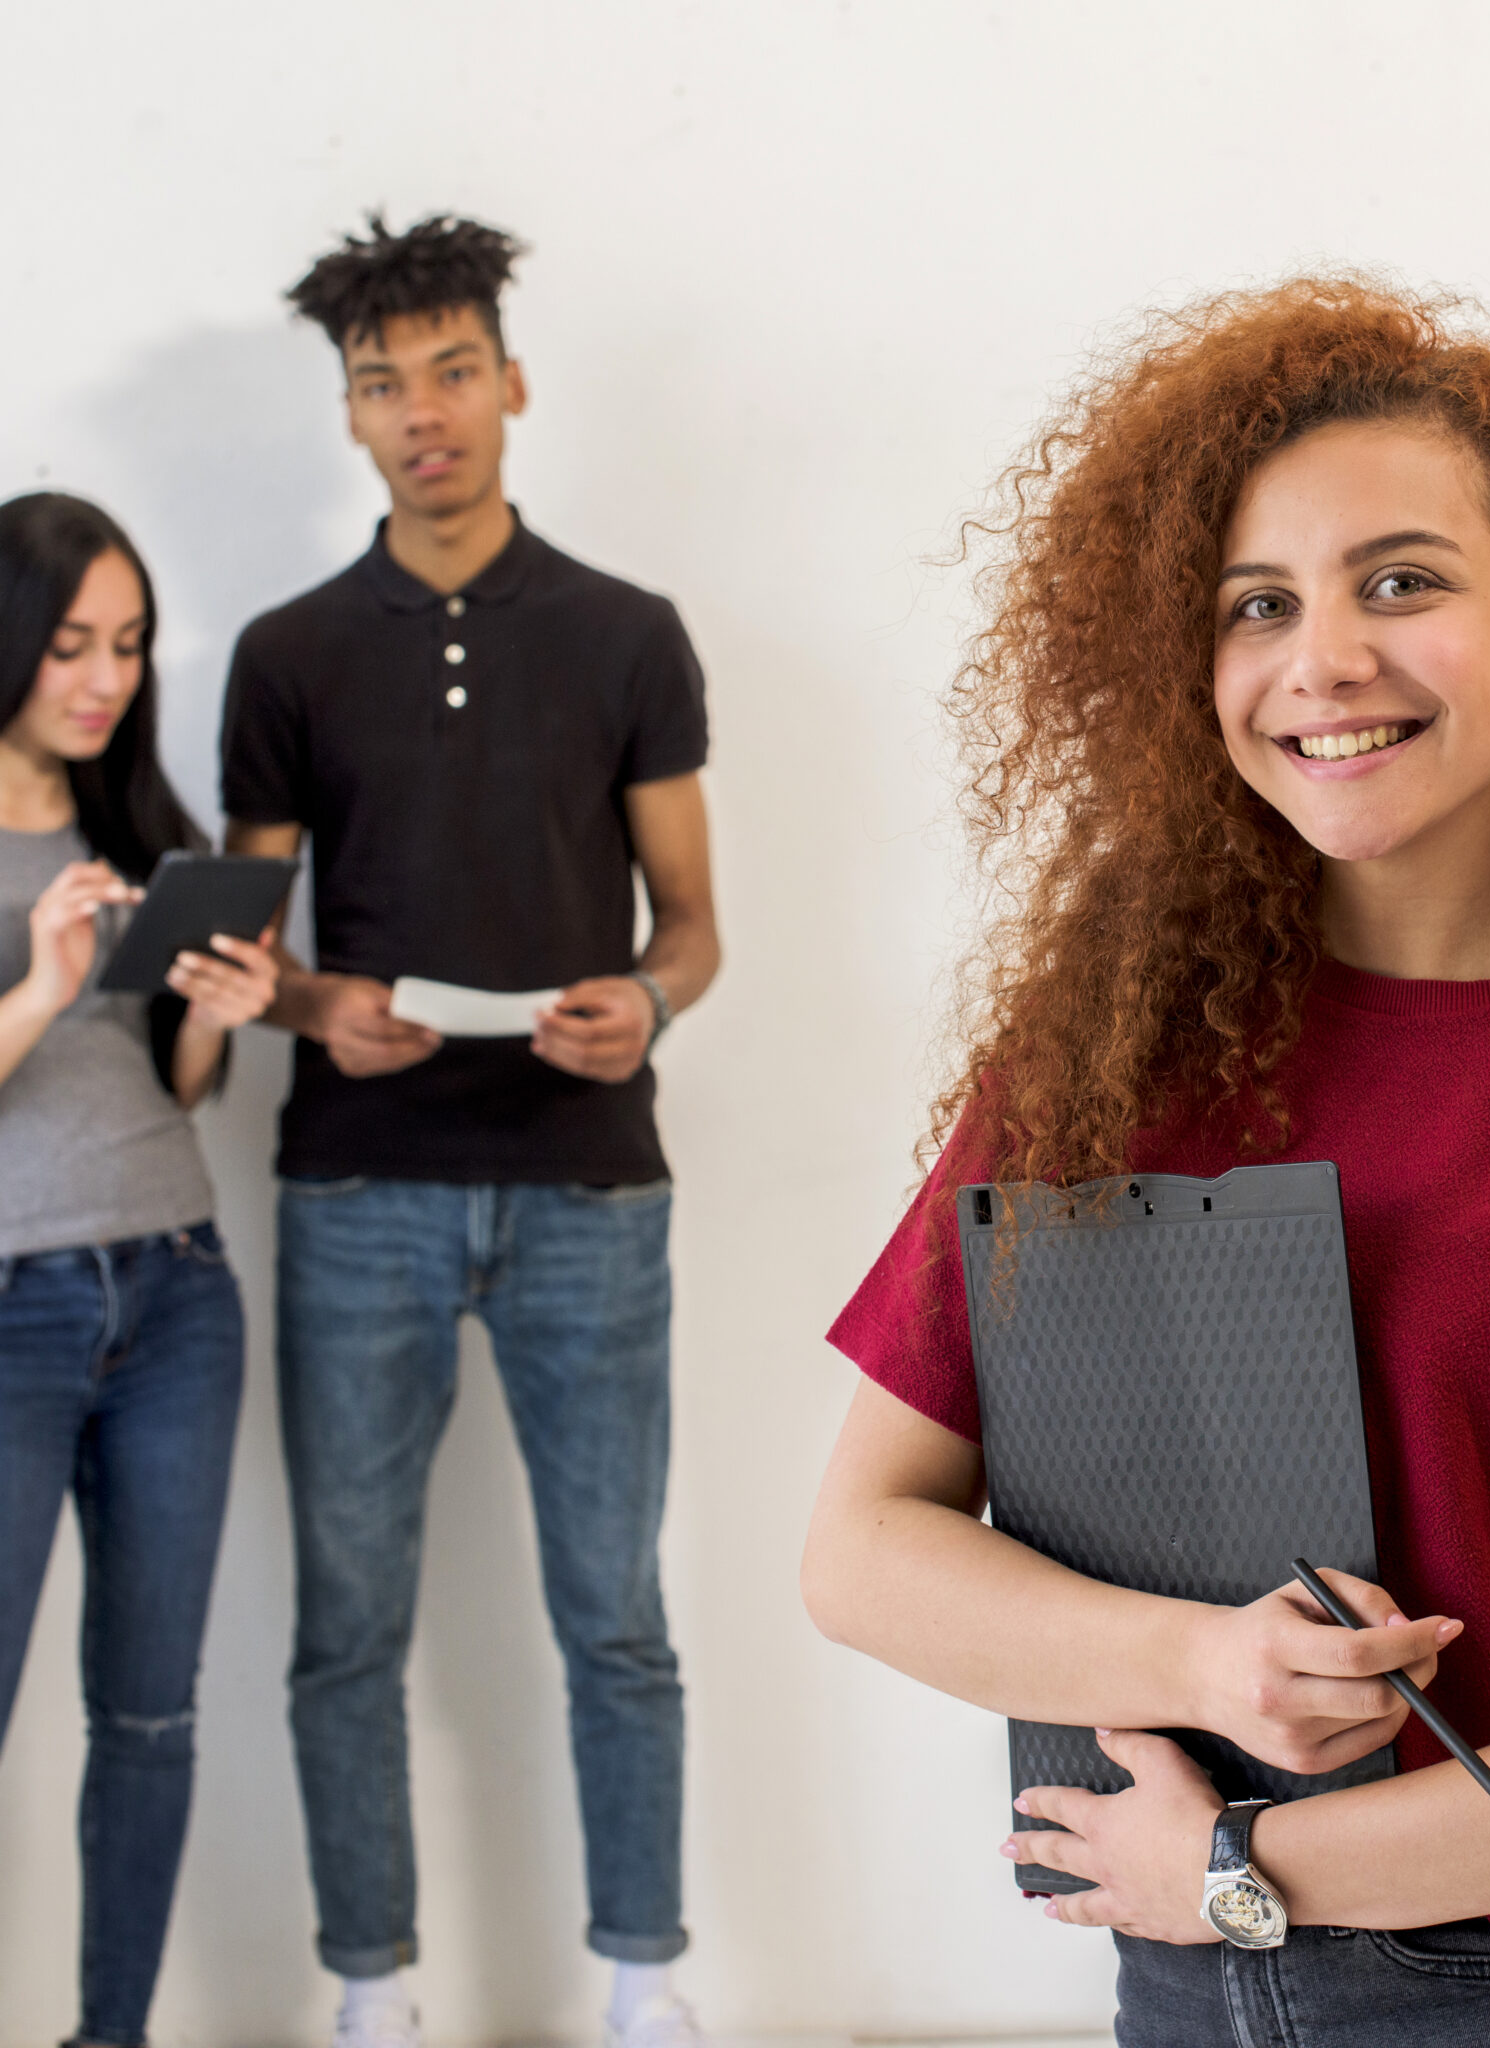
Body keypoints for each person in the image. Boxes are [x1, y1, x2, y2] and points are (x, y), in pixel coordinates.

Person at [800, 278, 1490, 2048]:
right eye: (1258, 606)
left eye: (1405, 581)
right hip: (1183, 1967)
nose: (1326, 659)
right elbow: (862, 1551)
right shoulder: (1102, 1063)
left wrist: (1258, 1867)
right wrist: (1206, 1675)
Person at [218, 214, 721, 2048]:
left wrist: (644, 1008)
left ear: (509, 383)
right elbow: (239, 951)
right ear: (347, 416)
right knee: (348, 1626)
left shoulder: (626, 635)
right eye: (379, 383)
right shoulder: (284, 656)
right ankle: (375, 1991)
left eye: (449, 370)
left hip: (591, 1188)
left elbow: (696, 928)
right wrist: (312, 1005)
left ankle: (645, 1978)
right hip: (356, 1190)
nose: (420, 411)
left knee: (618, 1615)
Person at [0, 492, 279, 2048]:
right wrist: (41, 984)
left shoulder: (135, 823)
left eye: (129, 646)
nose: (103, 678)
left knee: (151, 1713)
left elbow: (165, 1093)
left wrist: (211, 1016)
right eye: (68, 645)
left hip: (175, 1290)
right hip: (14, 1309)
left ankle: (112, 2037)